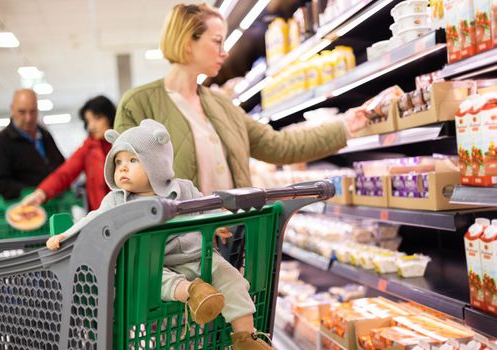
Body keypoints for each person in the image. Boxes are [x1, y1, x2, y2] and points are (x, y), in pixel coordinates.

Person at [46, 120, 272, 350]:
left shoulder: (184, 189)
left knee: (231, 278)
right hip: (154, 266)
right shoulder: (116, 201)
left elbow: (207, 207)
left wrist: (219, 224)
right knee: (148, 280)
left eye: (133, 160)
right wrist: (67, 235)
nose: (122, 167)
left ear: (156, 163)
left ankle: (245, 337)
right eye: (118, 161)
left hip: (198, 257)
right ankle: (193, 292)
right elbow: (92, 219)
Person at [113, 3, 368, 198]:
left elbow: (279, 145)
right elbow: (130, 188)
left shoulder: (221, 105)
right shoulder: (139, 104)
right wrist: (199, 216)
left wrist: (346, 124)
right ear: (188, 41)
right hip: (178, 253)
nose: (225, 52)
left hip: (233, 241)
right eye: (217, 41)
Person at [21, 96, 115, 211]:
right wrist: (41, 193)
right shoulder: (87, 149)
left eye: (97, 118)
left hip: (128, 212)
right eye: (88, 121)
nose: (91, 126)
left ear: (110, 117)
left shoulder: (124, 143)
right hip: (101, 216)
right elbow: (64, 173)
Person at [0, 89, 65, 200]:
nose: (28, 118)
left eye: (32, 111)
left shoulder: (45, 136)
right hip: (22, 209)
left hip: (54, 203)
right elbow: (1, 184)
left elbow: (61, 166)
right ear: (12, 109)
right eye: (22, 112)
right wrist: (37, 192)